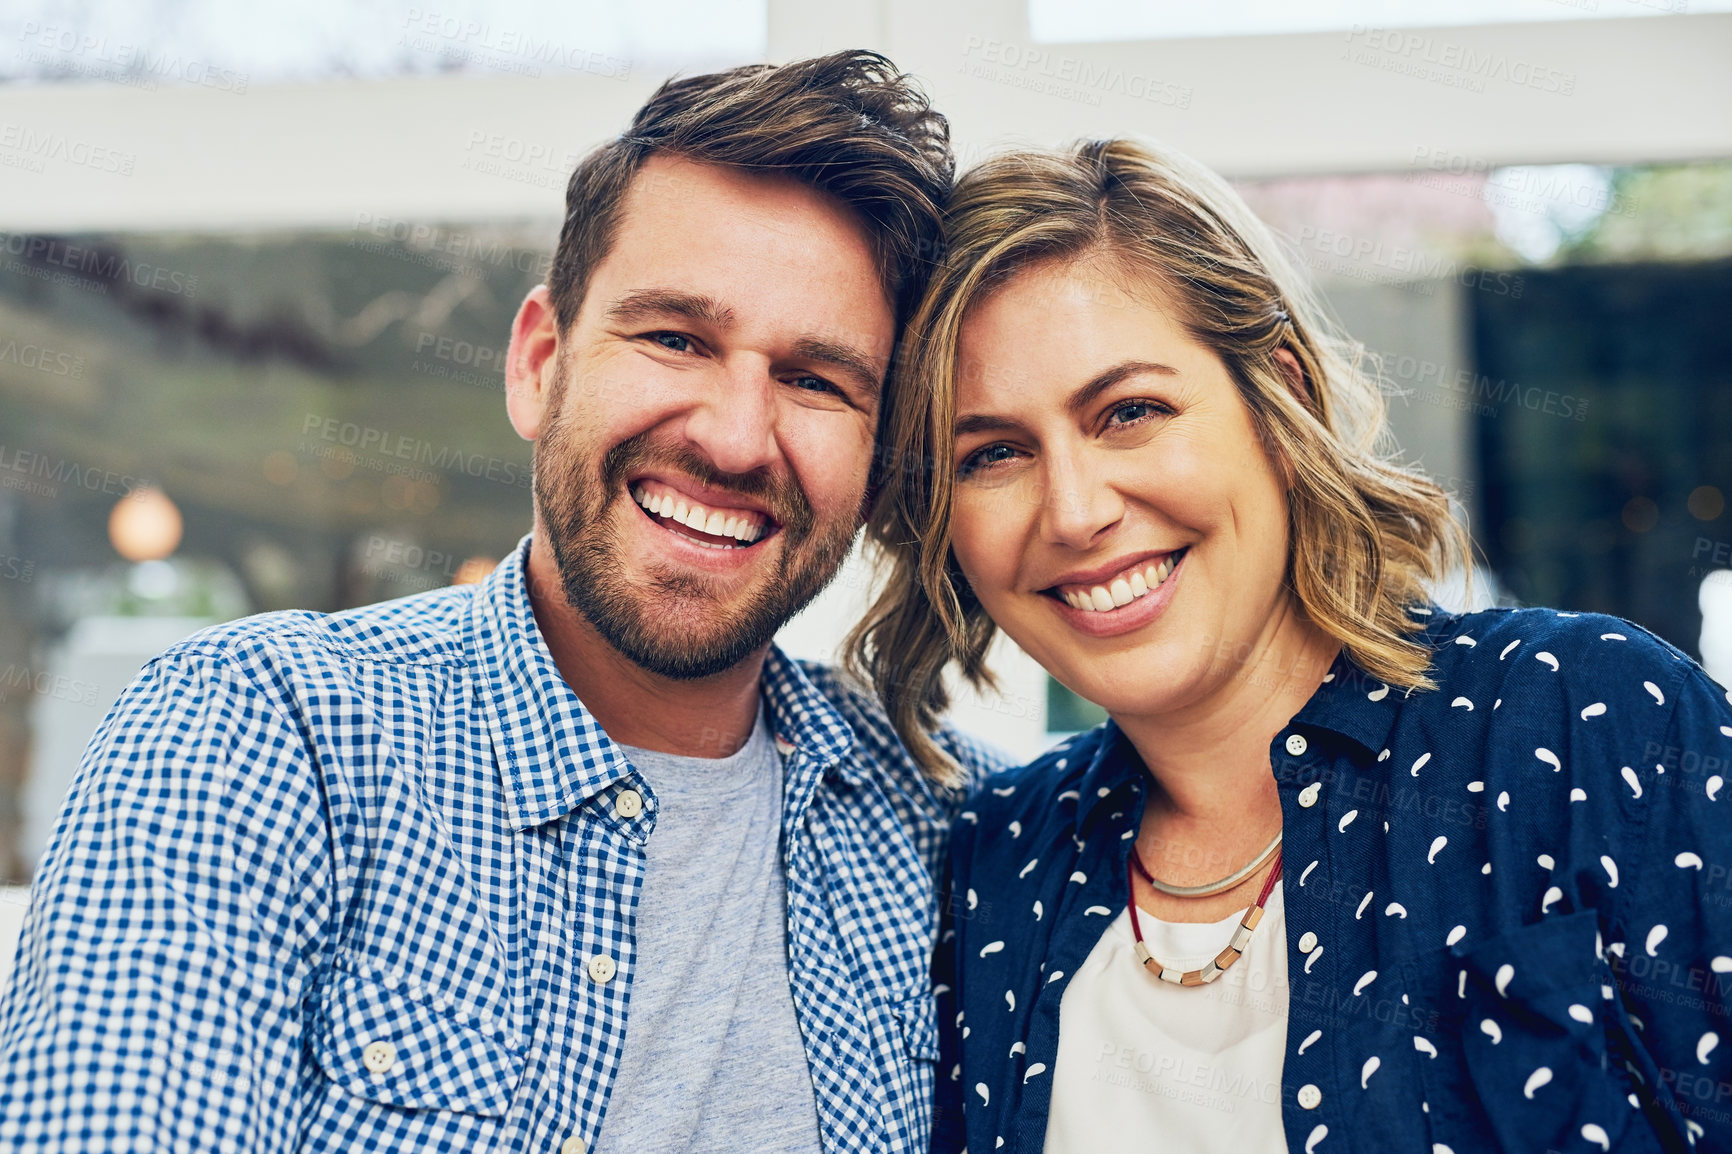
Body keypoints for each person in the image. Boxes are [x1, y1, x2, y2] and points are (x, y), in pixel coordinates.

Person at [0, 51, 1006, 1153]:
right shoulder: (253, 740)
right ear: (538, 362)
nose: (730, 436)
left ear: (879, 451)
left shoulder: (955, 822)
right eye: (675, 336)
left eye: (816, 379)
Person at [852, 138, 1732, 1153]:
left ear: (1279, 400)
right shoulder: (990, 858)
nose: (1075, 509)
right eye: (992, 453)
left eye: (1128, 411)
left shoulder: (1587, 719)